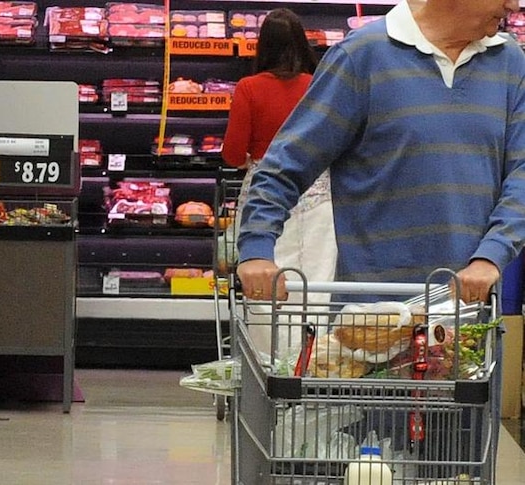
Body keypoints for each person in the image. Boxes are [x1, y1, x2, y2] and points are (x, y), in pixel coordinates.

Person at [236, 0, 524, 305]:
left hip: (467, 318)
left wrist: (491, 255)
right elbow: (285, 165)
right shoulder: (362, 56)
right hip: (370, 322)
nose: (514, 5)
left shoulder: (510, 62)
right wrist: (256, 249)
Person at [222, 8, 336, 352]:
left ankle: (268, 372)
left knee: (265, 287)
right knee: (317, 285)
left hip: (264, 195)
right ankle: (313, 367)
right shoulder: (319, 86)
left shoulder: (249, 88)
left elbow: (231, 154)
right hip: (318, 194)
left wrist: (251, 159)